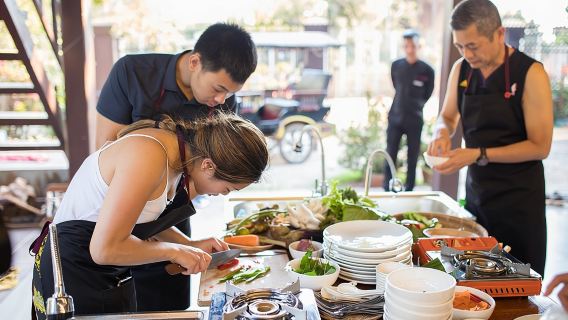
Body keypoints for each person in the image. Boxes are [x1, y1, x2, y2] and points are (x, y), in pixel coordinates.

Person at [31, 112, 269, 319]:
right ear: (208, 165)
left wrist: (188, 244)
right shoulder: (149, 155)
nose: (224, 195)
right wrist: (174, 251)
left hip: (103, 271)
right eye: (227, 189)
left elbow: (139, 211)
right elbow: (104, 249)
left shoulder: (176, 155)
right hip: (73, 271)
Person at [95, 22, 257, 310]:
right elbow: (106, 147)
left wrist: (185, 244)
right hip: (116, 209)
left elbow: (206, 175)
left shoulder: (222, 103)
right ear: (195, 62)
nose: (221, 101)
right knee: (126, 302)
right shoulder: (133, 73)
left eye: (229, 95)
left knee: (168, 304)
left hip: (168, 215)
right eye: (218, 88)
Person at [427, 0, 553, 275]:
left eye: (472, 45)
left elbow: (540, 146)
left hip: (520, 203)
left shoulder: (531, 73)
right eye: (460, 46)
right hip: (477, 197)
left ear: (499, 34)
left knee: (518, 287)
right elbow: (447, 116)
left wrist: (477, 154)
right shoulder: (462, 69)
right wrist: (441, 133)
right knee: (475, 281)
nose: (466, 53)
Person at [384, 30, 435, 191]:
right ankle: (388, 187)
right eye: (407, 46)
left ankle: (409, 189)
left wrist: (416, 105)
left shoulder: (427, 70)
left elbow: (428, 93)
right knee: (390, 153)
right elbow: (395, 86)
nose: (410, 49)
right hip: (395, 117)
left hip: (415, 118)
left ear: (418, 46)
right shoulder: (396, 66)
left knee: (412, 157)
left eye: (413, 46)